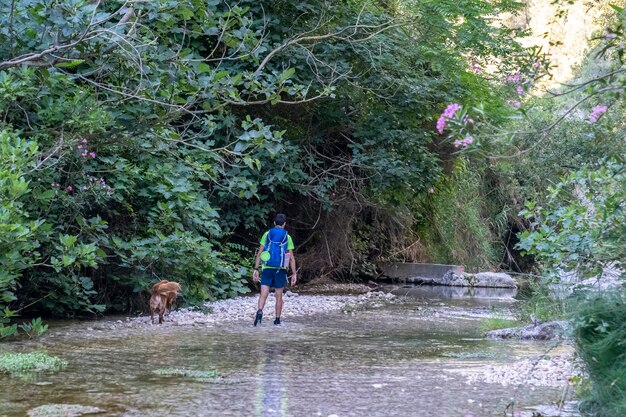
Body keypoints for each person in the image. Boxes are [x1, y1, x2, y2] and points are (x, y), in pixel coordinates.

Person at [252, 213, 297, 326]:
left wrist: (256, 269)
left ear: (274, 223)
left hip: (267, 267)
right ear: (285, 224)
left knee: (263, 294)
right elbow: (291, 258)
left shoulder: (267, 234)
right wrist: (294, 273)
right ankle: (277, 320)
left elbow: (260, 253)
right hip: (280, 269)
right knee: (279, 296)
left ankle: (260, 310)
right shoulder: (287, 237)